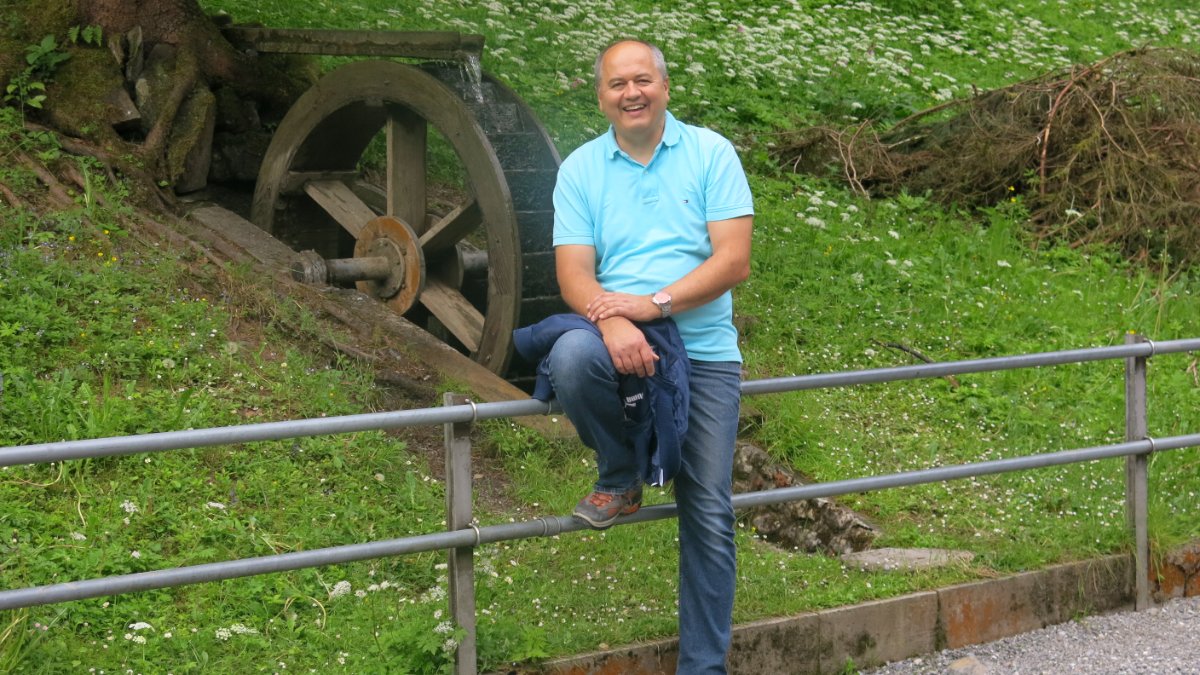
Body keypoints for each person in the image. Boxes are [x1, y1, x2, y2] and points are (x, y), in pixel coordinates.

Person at [545, 38, 754, 674]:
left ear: (664, 87)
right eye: (617, 84)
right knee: (569, 356)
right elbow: (574, 274)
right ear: (600, 97)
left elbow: (733, 261)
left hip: (704, 351)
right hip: (617, 338)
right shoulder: (581, 169)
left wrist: (653, 305)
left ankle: (703, 668)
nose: (631, 93)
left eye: (642, 80)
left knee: (708, 511)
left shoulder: (711, 153)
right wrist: (612, 322)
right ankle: (619, 475)